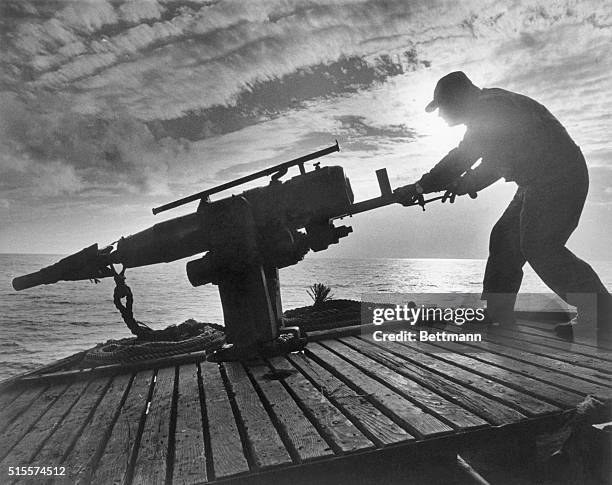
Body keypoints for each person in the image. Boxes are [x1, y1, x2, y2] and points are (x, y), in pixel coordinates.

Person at [395, 71, 610, 341]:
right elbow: (495, 163)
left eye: (441, 107)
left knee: (539, 245)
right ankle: (499, 315)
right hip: (538, 179)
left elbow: (463, 158)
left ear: (457, 99)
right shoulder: (489, 108)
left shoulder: (488, 109)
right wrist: (466, 183)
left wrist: (420, 187)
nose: (440, 115)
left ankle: (602, 312)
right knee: (504, 238)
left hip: (559, 176)